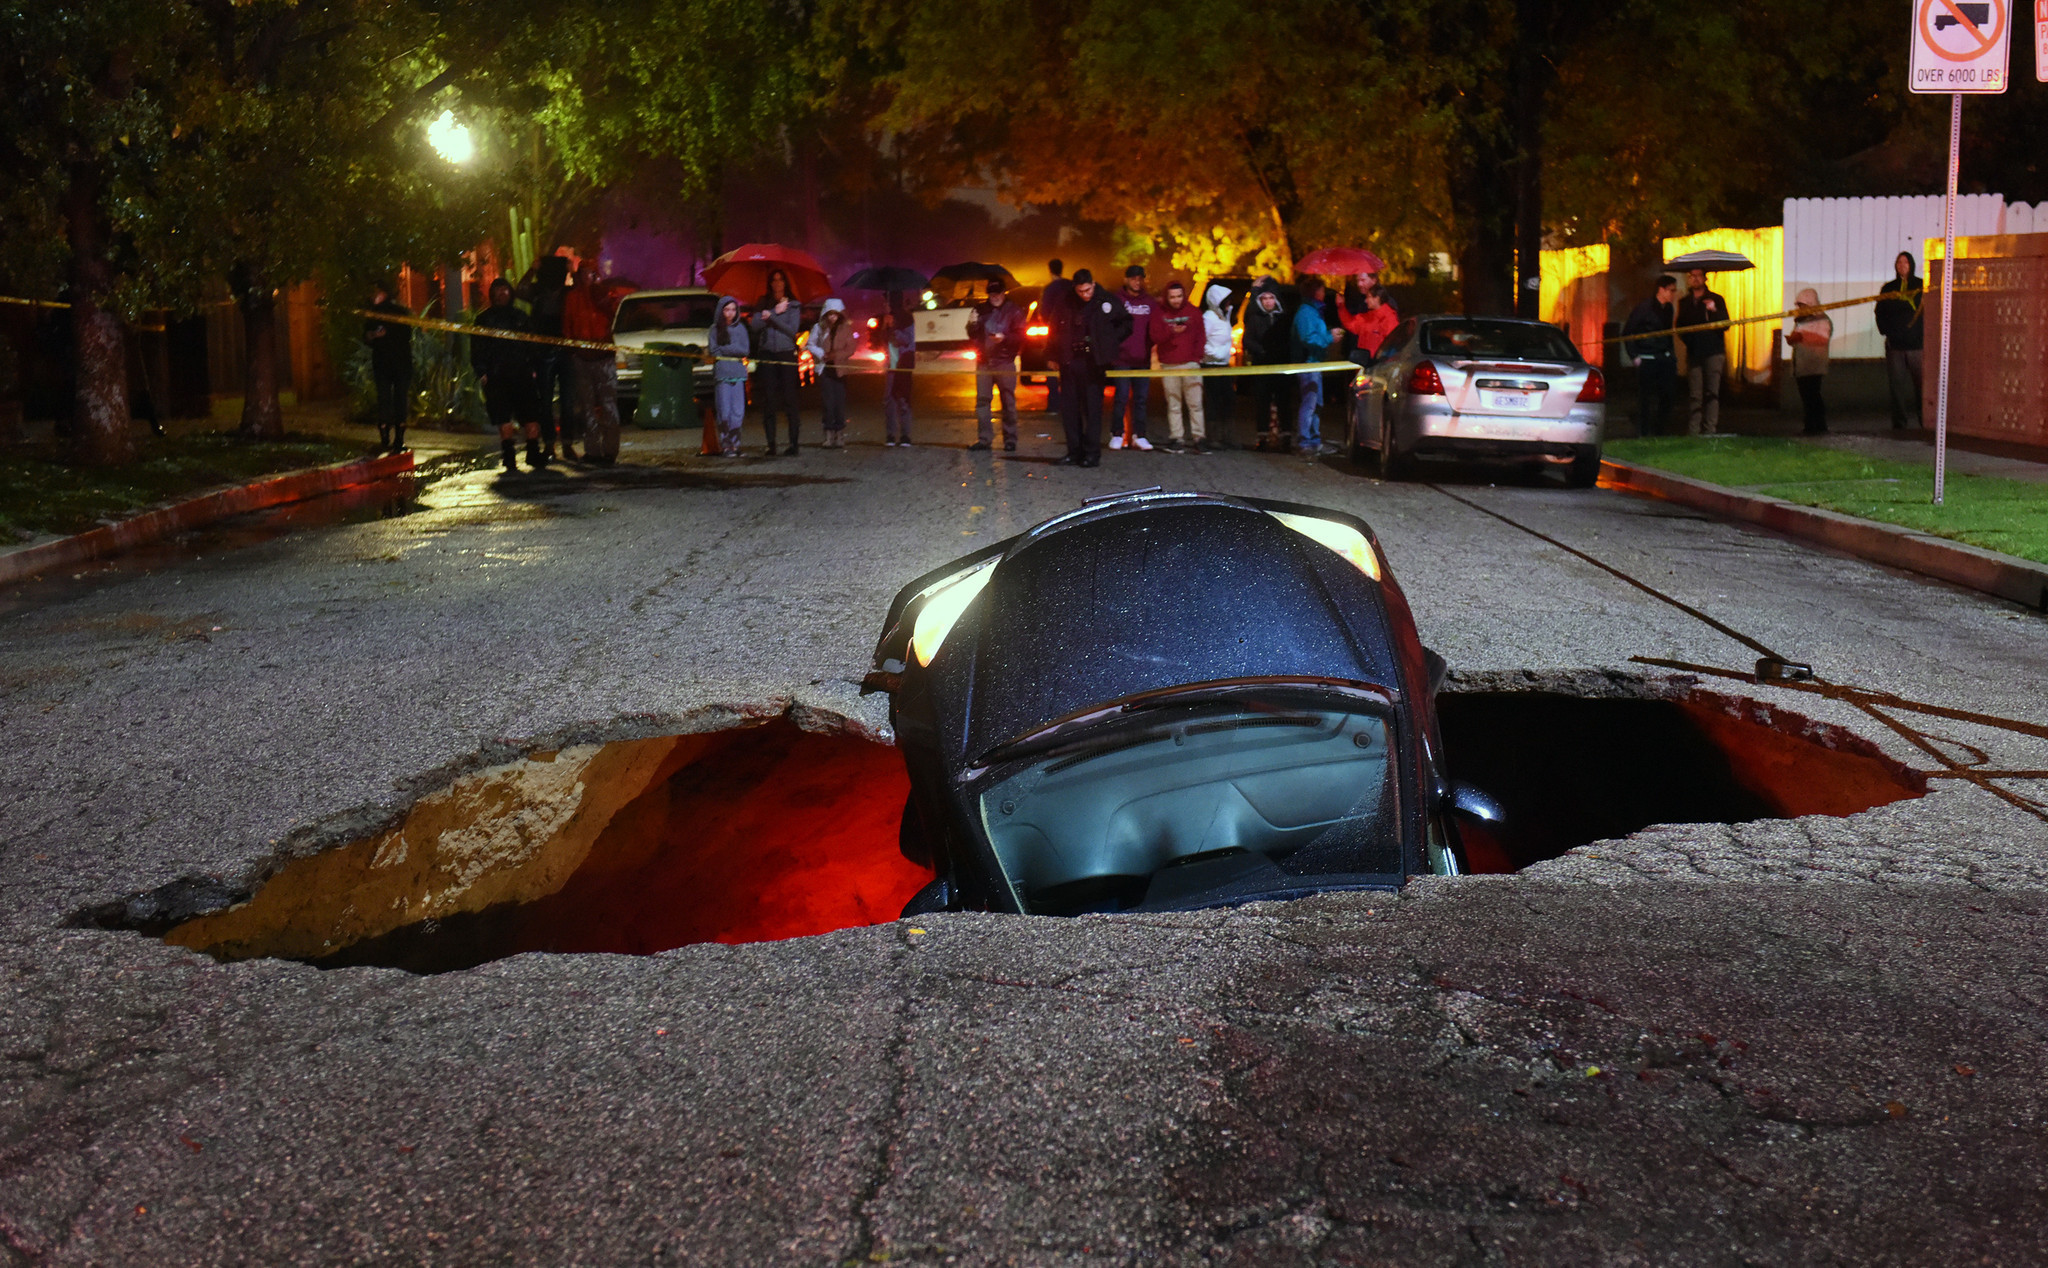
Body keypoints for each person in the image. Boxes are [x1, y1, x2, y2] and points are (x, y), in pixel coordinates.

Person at [472, 278, 545, 472]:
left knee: (530, 414)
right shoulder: (484, 319)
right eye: (498, 290)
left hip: (522, 373)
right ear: (492, 294)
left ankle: (533, 452)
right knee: (502, 417)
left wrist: (534, 368)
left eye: (505, 290)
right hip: (497, 376)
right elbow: (477, 348)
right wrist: (482, 372)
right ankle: (509, 456)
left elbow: (532, 344)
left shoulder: (520, 317)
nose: (502, 294)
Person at [561, 262, 622, 464]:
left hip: (603, 357)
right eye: (585, 273)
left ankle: (610, 451)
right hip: (582, 358)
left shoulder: (605, 294)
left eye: (592, 273)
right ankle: (593, 451)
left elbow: (615, 315)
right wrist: (573, 352)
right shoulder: (573, 298)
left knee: (608, 405)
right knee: (587, 406)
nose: (588, 277)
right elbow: (568, 325)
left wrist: (604, 298)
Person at [517, 250, 574, 461]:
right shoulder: (537, 291)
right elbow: (519, 290)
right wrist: (532, 269)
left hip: (566, 350)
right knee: (546, 402)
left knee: (568, 401)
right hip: (543, 351)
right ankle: (550, 444)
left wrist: (572, 272)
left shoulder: (569, 293)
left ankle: (567, 444)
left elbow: (582, 291)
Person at [967, 278, 1026, 451]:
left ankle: (1010, 439)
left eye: (997, 294)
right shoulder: (980, 309)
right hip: (984, 362)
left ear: (1003, 293)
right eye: (991, 294)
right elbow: (972, 334)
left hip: (1004, 361)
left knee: (1008, 401)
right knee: (982, 401)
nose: (994, 297)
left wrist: (1005, 338)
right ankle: (984, 439)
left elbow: (1021, 335)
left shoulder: (1013, 310)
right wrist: (972, 323)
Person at [1148, 279, 1207, 453]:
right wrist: (1171, 331)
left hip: (1190, 364)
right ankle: (1177, 438)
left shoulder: (1194, 312)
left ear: (1184, 296)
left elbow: (1201, 336)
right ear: (1167, 297)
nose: (1176, 300)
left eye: (1179, 296)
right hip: (1169, 364)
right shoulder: (1159, 314)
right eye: (1172, 297)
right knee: (1174, 404)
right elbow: (1155, 336)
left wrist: (1196, 357)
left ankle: (1199, 437)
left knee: (1195, 403)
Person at [750, 268, 803, 454]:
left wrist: (772, 317)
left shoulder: (794, 304)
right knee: (769, 399)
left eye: (781, 279)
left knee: (790, 398)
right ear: (770, 283)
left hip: (786, 353)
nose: (777, 283)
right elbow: (755, 326)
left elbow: (792, 329)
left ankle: (794, 444)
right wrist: (772, 311)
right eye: (774, 280)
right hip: (767, 354)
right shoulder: (762, 302)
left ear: (785, 283)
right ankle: (771, 443)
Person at [1620, 275, 1678, 437]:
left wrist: (1671, 355)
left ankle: (1660, 430)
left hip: (1664, 358)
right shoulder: (1644, 308)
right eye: (1671, 291)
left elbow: (1667, 334)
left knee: (1667, 396)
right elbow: (1628, 332)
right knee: (1645, 398)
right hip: (1647, 359)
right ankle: (1644, 432)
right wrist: (1635, 356)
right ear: (1662, 289)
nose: (1673, 294)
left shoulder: (1668, 309)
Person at [1875, 251, 1925, 430]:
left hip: (1917, 346)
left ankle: (1924, 419)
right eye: (1899, 262)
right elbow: (1880, 312)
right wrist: (1887, 331)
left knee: (1921, 386)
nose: (1902, 265)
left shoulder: (1921, 286)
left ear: (1911, 265)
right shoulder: (1889, 288)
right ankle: (1899, 422)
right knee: (1896, 387)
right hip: (1895, 345)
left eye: (1905, 262)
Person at [1676, 267, 1729, 435]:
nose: (1695, 279)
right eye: (1692, 276)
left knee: (1712, 392)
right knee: (1695, 393)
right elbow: (1680, 327)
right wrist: (1689, 341)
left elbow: (1726, 324)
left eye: (1698, 276)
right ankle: (1694, 430)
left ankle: (1710, 429)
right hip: (1694, 352)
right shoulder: (1685, 302)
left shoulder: (1716, 299)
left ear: (1705, 278)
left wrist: (1714, 310)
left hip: (1713, 351)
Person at [362, 283, 413, 454]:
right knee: (396, 399)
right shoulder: (375, 314)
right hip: (393, 363)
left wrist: (376, 336)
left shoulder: (383, 314)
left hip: (392, 363)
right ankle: (394, 438)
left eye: (377, 293)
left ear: (384, 293)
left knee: (389, 399)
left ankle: (391, 438)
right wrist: (375, 336)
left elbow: (367, 337)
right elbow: (367, 336)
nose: (373, 296)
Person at [1107, 265, 1155, 451]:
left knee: (1141, 399)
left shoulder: (1150, 302)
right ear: (1126, 279)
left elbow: (1156, 327)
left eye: (1140, 278)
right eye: (1134, 278)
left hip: (1142, 358)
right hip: (1121, 358)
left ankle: (1139, 435)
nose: (1137, 281)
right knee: (1121, 397)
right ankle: (1117, 433)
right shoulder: (1116, 300)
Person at [1243, 277, 1293, 450]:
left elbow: (1290, 339)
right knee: (1262, 402)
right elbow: (1247, 339)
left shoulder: (1284, 318)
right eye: (1264, 298)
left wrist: (1283, 353)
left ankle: (1286, 436)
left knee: (1284, 402)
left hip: (1281, 366)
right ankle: (1263, 437)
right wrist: (1262, 352)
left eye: (1271, 298)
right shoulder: (1255, 318)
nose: (1268, 302)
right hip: (1262, 365)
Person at [1290, 277, 1336, 459]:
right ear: (1315, 292)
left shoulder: (1314, 312)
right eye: (1322, 290)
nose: (1324, 294)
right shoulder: (1306, 313)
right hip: (1308, 364)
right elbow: (1308, 338)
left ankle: (1314, 440)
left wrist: (1328, 334)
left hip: (1315, 363)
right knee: (1309, 404)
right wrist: (1329, 338)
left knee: (1316, 404)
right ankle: (1305, 441)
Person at [808, 298, 857, 449]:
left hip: (840, 371)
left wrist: (836, 355)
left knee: (839, 403)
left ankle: (840, 433)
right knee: (828, 403)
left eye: (835, 314)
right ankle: (829, 434)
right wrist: (821, 353)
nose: (832, 318)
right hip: (825, 370)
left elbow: (851, 348)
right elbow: (810, 344)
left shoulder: (845, 329)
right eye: (830, 314)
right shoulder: (819, 328)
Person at [1787, 288, 1833, 436]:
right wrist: (1794, 338)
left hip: (1814, 364)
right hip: (1802, 364)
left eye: (1802, 305)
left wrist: (1801, 337)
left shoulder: (1821, 319)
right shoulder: (1801, 320)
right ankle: (1810, 424)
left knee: (1813, 395)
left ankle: (1818, 425)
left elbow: (1822, 338)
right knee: (1807, 396)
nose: (1799, 309)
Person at [708, 296, 750, 457]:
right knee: (724, 411)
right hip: (722, 374)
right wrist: (732, 349)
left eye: (733, 309)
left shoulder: (740, 328)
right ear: (721, 311)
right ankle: (726, 445)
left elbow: (744, 350)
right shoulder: (714, 329)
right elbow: (714, 350)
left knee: (737, 412)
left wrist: (726, 348)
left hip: (738, 374)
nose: (730, 313)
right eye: (726, 309)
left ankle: (735, 445)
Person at [1201, 283, 1236, 448]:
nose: (1229, 303)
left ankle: (1227, 436)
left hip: (1224, 365)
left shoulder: (1225, 316)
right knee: (1213, 401)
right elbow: (1201, 341)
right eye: (1226, 301)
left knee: (1228, 400)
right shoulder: (1209, 317)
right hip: (1211, 365)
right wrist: (1215, 354)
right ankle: (1213, 437)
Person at [880, 292, 916, 446]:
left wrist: (894, 327)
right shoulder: (886, 318)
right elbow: (880, 340)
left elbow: (907, 340)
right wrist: (884, 327)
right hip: (891, 366)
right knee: (889, 401)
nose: (884, 305)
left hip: (903, 365)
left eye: (886, 302)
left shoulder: (906, 319)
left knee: (903, 399)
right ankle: (890, 435)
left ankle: (905, 435)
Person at [1040, 259, 1072, 415]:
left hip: (1054, 334)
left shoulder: (1049, 290)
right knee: (1069, 369)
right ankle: (1070, 403)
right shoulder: (1070, 285)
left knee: (1052, 369)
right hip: (1071, 334)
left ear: (1050, 270)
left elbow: (1044, 313)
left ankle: (1054, 405)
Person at [1338, 283, 1399, 362]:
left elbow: (1394, 345)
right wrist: (1341, 307)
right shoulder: (1367, 317)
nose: (1365, 300)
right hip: (1364, 364)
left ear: (1377, 298)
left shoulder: (1389, 319)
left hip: (1379, 366)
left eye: (1368, 297)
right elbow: (1350, 324)